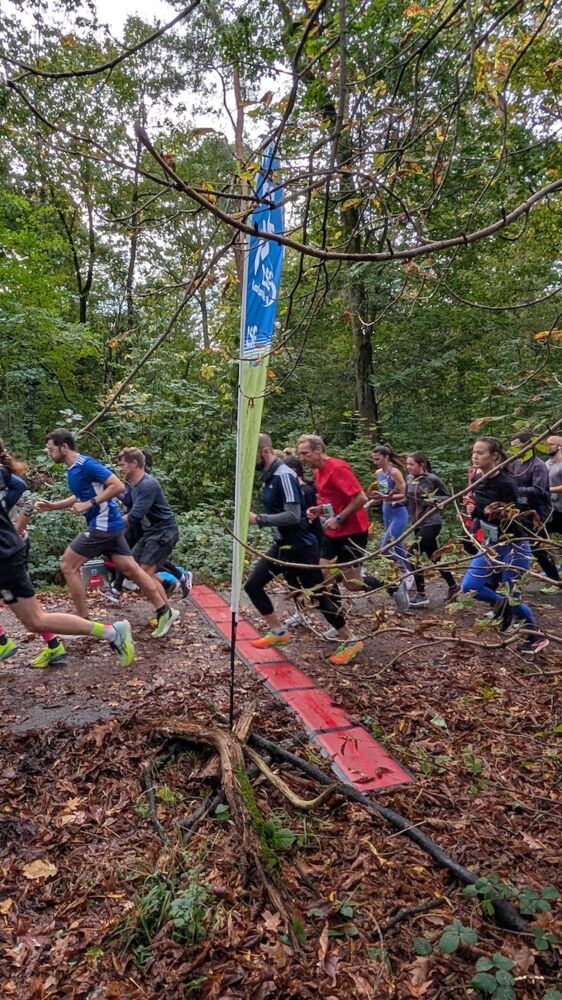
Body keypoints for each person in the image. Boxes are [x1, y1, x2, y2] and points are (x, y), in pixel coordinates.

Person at [35, 429, 178, 638]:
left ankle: (82, 624)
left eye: (51, 449)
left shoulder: (86, 464)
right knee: (132, 569)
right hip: (110, 525)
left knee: (68, 565)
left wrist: (90, 504)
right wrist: (54, 506)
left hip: (103, 525)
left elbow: (117, 485)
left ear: (63, 447)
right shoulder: (73, 469)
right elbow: (80, 495)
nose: (49, 454)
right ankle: (165, 610)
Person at [245, 434, 364, 666]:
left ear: (265, 452)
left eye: (253, 456)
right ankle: (279, 632)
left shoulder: (284, 475)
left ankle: (351, 640)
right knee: (253, 585)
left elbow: (292, 515)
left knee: (318, 596)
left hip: (301, 547)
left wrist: (259, 519)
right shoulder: (269, 477)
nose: (251, 462)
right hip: (283, 545)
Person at [0, 461, 135, 667]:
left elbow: (20, 488)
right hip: (8, 549)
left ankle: (111, 632)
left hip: (5, 555)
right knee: (34, 620)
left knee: (36, 620)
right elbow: (18, 484)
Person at [297, 434, 409, 613]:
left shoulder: (337, 468)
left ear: (318, 449)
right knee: (322, 571)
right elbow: (333, 502)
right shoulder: (318, 472)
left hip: (353, 531)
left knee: (352, 584)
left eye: (305, 453)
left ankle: (393, 587)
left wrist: (339, 518)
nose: (302, 458)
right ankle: (337, 617)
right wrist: (319, 510)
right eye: (300, 454)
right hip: (333, 532)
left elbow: (360, 498)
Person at [460, 436, 548, 655]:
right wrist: (473, 519)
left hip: (513, 544)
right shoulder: (477, 477)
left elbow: (509, 518)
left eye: (480, 453)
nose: (474, 456)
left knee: (513, 596)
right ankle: (503, 608)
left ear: (495, 456)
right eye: (473, 452)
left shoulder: (506, 483)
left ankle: (536, 636)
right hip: (491, 543)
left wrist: (477, 512)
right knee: (470, 587)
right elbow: (482, 510)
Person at [0, 439, 66, 668]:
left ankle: (7, 642)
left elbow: (28, 504)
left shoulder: (7, 477)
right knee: (24, 602)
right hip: (8, 545)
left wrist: (16, 529)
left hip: (10, 544)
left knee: (28, 604)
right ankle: (50, 644)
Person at [106, 448, 191, 603]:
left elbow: (135, 515)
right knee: (131, 568)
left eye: (123, 465)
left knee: (145, 572)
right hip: (150, 532)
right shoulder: (134, 484)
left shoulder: (147, 485)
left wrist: (108, 525)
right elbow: (129, 503)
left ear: (134, 463)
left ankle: (165, 610)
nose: (120, 468)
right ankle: (167, 587)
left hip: (164, 532)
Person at [404, 452, 459, 607]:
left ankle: (421, 595)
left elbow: (447, 497)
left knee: (411, 556)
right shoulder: (409, 479)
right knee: (435, 557)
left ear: (421, 465)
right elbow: (408, 499)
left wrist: (433, 500)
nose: (408, 467)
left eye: (411, 464)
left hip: (431, 522)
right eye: (407, 464)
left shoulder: (432, 479)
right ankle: (453, 586)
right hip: (417, 523)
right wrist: (394, 501)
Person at [510, 431, 560, 591]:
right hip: (519, 513)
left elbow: (539, 490)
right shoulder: (515, 464)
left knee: (539, 549)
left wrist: (515, 490)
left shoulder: (538, 466)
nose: (514, 451)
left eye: (517, 447)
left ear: (528, 445)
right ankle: (509, 582)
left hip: (538, 514)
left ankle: (555, 581)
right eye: (512, 448)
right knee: (513, 545)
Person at [367, 445, 412, 582]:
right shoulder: (379, 473)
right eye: (374, 459)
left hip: (398, 512)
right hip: (387, 512)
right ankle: (411, 574)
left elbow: (404, 494)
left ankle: (406, 572)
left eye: (378, 459)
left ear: (386, 457)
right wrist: (368, 503)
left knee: (385, 548)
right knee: (397, 546)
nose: (375, 462)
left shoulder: (395, 472)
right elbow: (383, 495)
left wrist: (388, 497)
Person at [546, 435, 562, 536]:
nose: (547, 447)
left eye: (551, 444)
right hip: (549, 509)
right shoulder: (545, 464)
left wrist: (548, 489)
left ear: (559, 446)